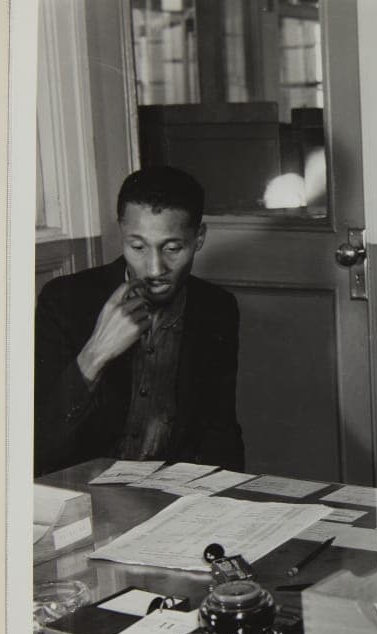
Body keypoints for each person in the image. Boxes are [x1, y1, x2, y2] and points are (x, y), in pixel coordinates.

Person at [34, 166, 244, 476]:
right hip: (84, 494)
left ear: (198, 238)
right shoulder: (64, 301)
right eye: (138, 247)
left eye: (173, 248)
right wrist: (94, 355)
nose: (155, 267)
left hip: (175, 497)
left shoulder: (217, 308)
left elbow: (220, 433)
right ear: (121, 232)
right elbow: (37, 447)